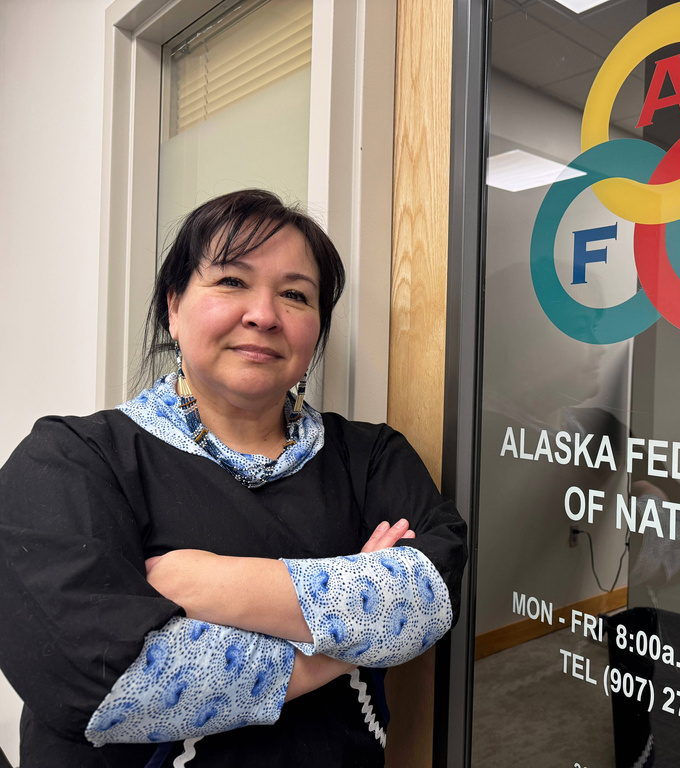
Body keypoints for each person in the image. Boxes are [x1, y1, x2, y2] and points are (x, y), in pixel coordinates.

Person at [0, 189, 468, 767]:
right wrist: (350, 637)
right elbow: (107, 682)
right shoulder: (72, 460)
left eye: (295, 295)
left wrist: (211, 585)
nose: (264, 315)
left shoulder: (370, 457)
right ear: (173, 307)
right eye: (232, 281)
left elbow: (434, 590)